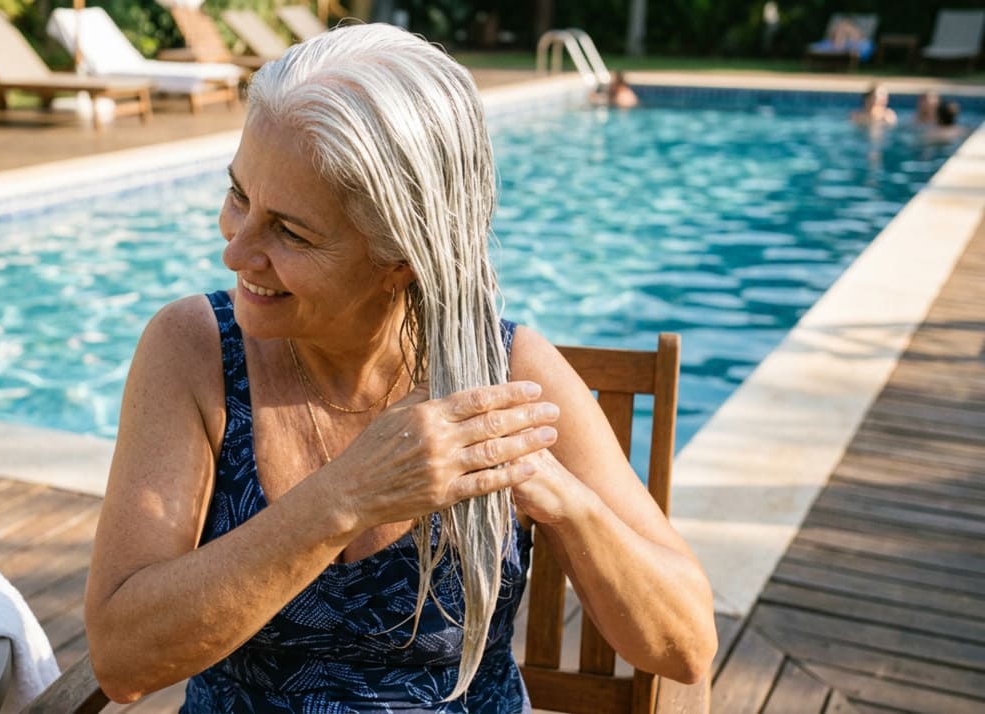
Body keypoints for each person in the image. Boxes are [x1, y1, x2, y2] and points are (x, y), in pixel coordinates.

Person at [84, 23, 717, 712]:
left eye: (290, 231)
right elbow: (122, 662)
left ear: (404, 259)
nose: (235, 251)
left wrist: (565, 502)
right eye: (239, 196)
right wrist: (346, 496)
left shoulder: (507, 375)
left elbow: (685, 647)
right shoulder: (195, 350)